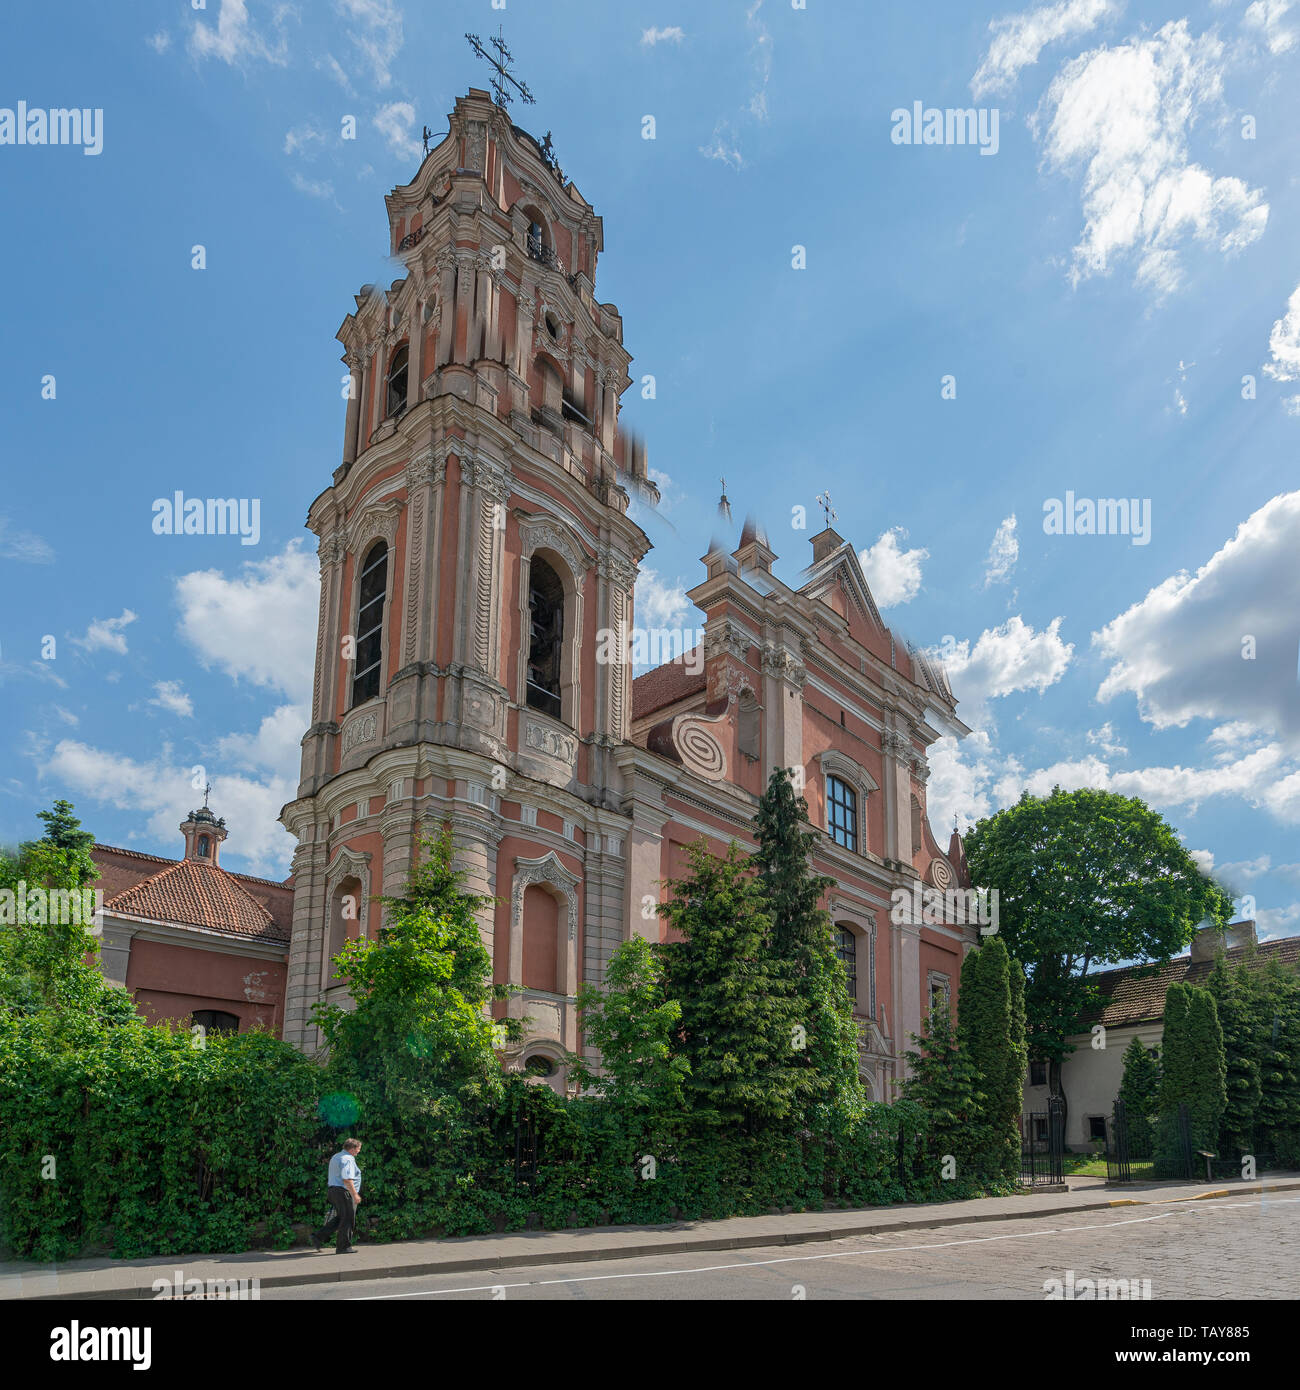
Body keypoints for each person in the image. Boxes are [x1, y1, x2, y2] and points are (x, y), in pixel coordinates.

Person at [311, 1137, 363, 1254]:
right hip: (344, 1192)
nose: (358, 1152)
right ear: (353, 1148)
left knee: (341, 1217)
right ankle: (343, 1247)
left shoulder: (336, 1156)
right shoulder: (348, 1158)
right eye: (358, 1149)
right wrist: (355, 1194)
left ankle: (318, 1237)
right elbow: (347, 1179)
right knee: (348, 1219)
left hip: (333, 1191)